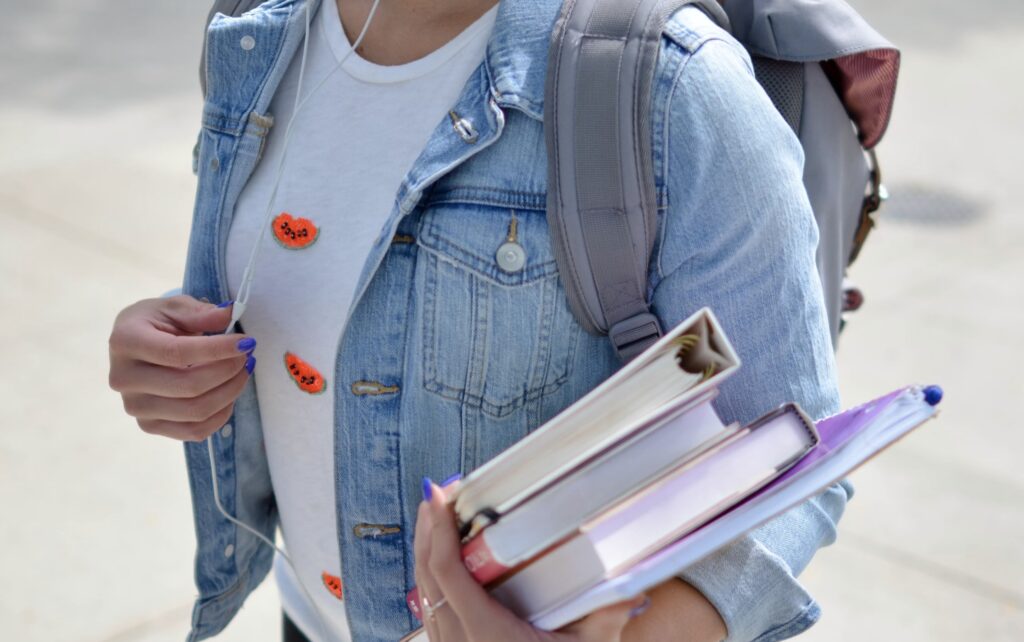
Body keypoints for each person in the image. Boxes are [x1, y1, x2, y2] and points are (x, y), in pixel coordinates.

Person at [107, 0, 851, 641]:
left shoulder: (671, 86)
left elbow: (794, 457)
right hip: (308, 616)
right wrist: (169, 358)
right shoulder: (257, 29)